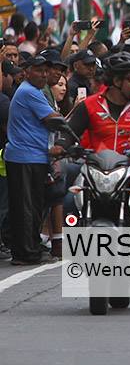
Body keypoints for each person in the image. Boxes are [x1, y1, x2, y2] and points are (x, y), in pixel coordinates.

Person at [62, 51, 130, 226]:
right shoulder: (89, 105)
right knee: (68, 204)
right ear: (117, 81)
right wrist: (60, 145)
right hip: (93, 171)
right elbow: (69, 132)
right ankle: (67, 250)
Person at [6, 55, 62, 265]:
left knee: (32, 205)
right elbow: (52, 120)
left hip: (33, 157)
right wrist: (74, 119)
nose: (44, 74)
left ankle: (28, 248)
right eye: (39, 70)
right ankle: (26, 253)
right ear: (27, 72)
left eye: (46, 70)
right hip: (25, 157)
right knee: (27, 207)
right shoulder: (29, 91)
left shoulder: (35, 91)